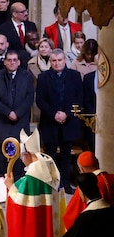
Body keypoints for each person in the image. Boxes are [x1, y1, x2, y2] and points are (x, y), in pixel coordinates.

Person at [5, 128, 65, 237]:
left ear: (27, 155)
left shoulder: (29, 182)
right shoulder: (53, 173)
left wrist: (10, 186)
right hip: (53, 235)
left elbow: (17, 211)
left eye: (22, 157)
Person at [35, 49, 82, 192]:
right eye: (54, 61)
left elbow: (79, 97)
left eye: (60, 60)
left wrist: (66, 114)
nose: (57, 63)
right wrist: (54, 114)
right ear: (50, 62)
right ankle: (52, 184)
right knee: (51, 156)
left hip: (68, 122)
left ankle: (66, 184)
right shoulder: (43, 77)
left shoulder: (75, 76)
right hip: (50, 122)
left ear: (65, 60)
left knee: (66, 156)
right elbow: (40, 100)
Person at [64, 151, 114, 229]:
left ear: (82, 169)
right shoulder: (112, 178)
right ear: (97, 163)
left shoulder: (86, 184)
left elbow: (71, 217)